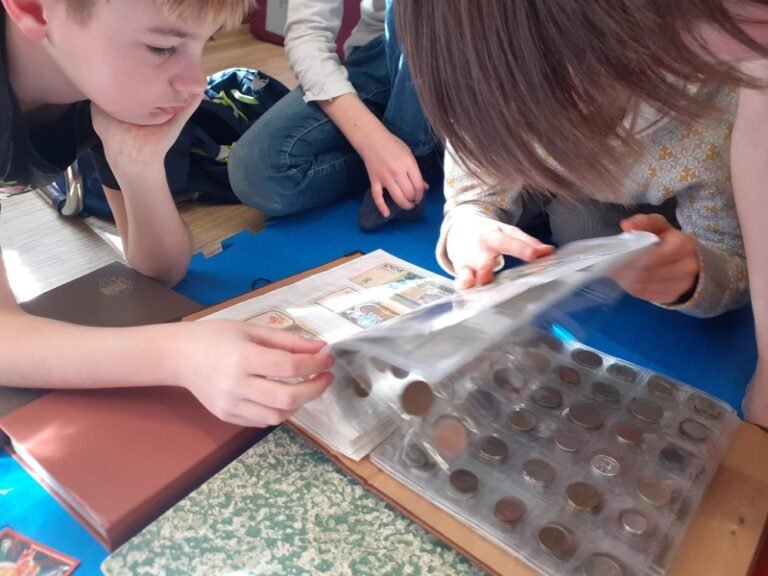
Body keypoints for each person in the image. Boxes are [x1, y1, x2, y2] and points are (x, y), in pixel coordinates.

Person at [394, 0, 768, 426]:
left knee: (584, 227)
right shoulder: (488, 90)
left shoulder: (709, 124)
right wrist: (468, 223)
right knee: (578, 224)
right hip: (575, 178)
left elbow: (737, 264)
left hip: (668, 164)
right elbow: (471, 186)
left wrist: (692, 278)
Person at [0, 0, 334, 427]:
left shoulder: (95, 82)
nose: (196, 83)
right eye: (161, 48)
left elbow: (158, 269)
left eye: (204, 42)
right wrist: (178, 355)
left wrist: (138, 165)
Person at [227, 0, 436, 230]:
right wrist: (373, 142)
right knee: (256, 173)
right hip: (379, 55)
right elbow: (308, 32)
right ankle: (414, 164)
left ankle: (417, 158)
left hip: (456, 62)